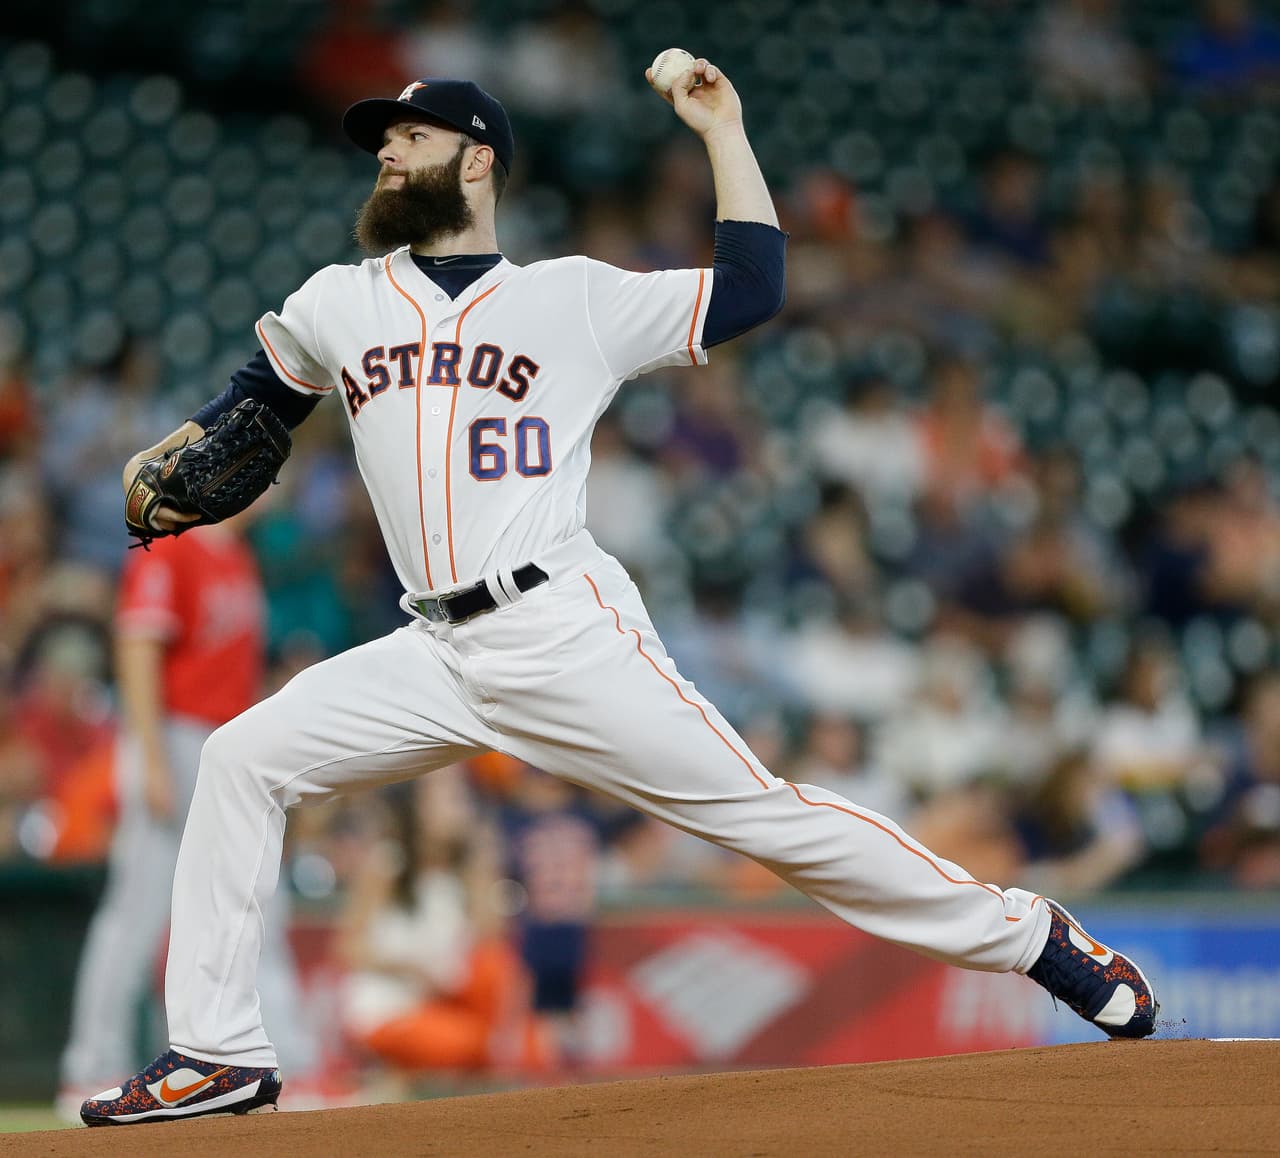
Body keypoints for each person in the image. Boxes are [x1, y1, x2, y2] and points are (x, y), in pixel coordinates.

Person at [83, 58, 1158, 1126]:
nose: (386, 149)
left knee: (766, 821)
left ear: (478, 159)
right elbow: (246, 409)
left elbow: (751, 288)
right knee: (240, 760)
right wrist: (169, 464)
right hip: (431, 652)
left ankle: (1034, 940)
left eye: (410, 135)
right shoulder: (338, 302)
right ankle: (217, 1052)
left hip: (560, 630)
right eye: (382, 137)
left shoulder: (573, 299)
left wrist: (722, 131)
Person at [62, 519, 314, 1117]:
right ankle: (90, 1065)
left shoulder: (238, 557)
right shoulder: (173, 549)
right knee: (138, 909)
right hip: (173, 737)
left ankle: (292, 1064)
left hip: (226, 742)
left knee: (258, 903)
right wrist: (148, 755)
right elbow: (137, 644)